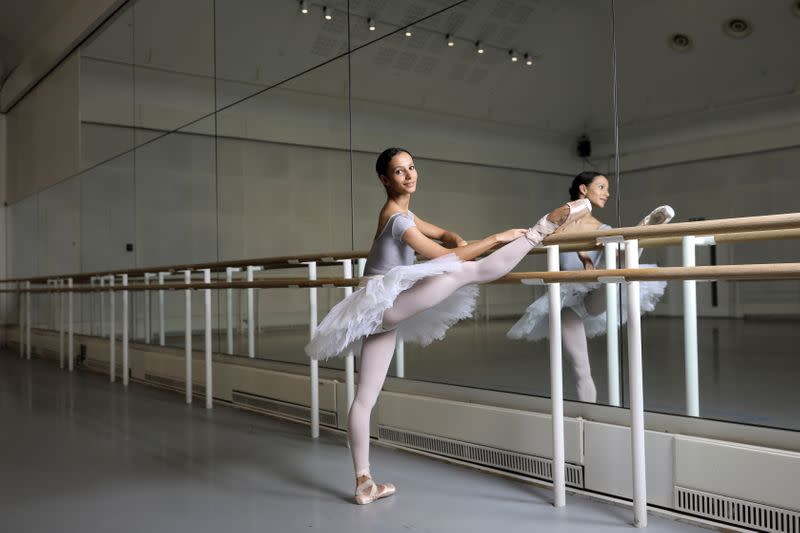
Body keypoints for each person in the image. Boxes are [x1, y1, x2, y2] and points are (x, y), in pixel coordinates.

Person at [305, 147, 591, 504]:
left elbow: (445, 235)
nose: (409, 175)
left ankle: (364, 481)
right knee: (465, 269)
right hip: (385, 305)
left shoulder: (406, 214)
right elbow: (444, 256)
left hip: (379, 311)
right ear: (384, 179)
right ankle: (539, 231)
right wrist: (495, 239)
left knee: (365, 398)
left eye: (411, 168)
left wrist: (457, 238)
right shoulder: (397, 219)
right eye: (398, 171)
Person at [507, 171, 673, 403]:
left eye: (607, 188)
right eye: (602, 187)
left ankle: (642, 232)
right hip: (568, 304)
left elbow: (597, 269)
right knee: (581, 369)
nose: (607, 193)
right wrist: (583, 257)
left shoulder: (603, 229)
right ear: (584, 189)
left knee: (614, 261)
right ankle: (588, 413)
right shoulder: (557, 222)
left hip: (595, 293)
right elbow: (546, 243)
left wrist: (587, 260)